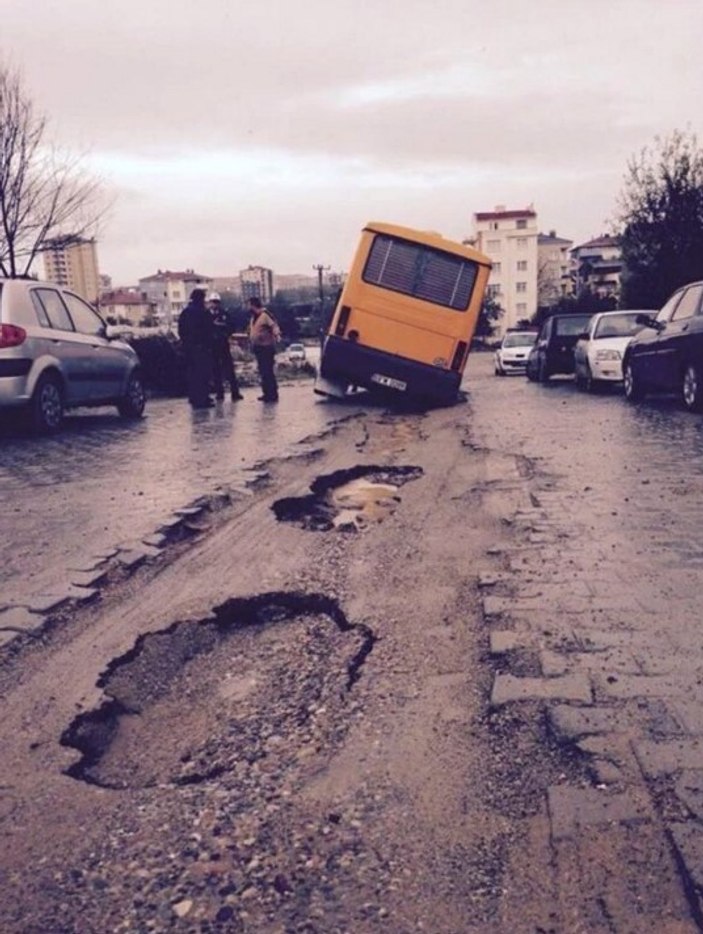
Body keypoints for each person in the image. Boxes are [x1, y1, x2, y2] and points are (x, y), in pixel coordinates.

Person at [178, 288, 214, 408]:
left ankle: (193, 397)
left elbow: (181, 330)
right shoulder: (203, 312)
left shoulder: (185, 312)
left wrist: (185, 343)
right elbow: (209, 330)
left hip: (189, 348)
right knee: (203, 374)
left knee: (192, 373)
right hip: (202, 348)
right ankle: (203, 398)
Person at [207, 292, 243, 401]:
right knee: (216, 370)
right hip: (212, 346)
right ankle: (219, 393)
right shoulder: (206, 315)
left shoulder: (224, 314)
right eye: (213, 302)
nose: (215, 304)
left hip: (223, 344)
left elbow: (231, 327)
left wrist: (222, 328)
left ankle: (235, 393)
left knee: (229, 369)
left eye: (216, 302)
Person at [248, 296, 281, 402]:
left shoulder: (265, 315)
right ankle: (266, 393)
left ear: (253, 305)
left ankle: (272, 394)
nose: (248, 307)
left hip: (266, 347)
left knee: (268, 371)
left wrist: (277, 335)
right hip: (259, 348)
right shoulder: (253, 317)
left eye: (249, 305)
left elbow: (274, 326)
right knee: (263, 371)